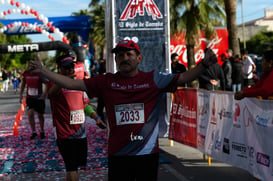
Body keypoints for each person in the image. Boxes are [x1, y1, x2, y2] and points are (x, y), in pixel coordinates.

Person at [29, 40, 218, 181]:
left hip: (146, 154)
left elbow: (183, 77)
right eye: (120, 55)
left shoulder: (154, 79)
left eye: (129, 54)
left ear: (139, 58)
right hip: (119, 155)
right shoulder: (106, 81)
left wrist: (204, 65)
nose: (124, 58)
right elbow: (72, 83)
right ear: (116, 60)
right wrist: (44, 71)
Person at [47, 55, 88, 181]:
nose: (70, 69)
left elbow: (85, 104)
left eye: (71, 66)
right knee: (71, 168)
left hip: (80, 132)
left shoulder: (79, 83)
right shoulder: (54, 83)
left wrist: (96, 117)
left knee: (75, 167)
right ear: (59, 69)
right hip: (64, 133)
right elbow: (50, 94)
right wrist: (64, 80)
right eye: (66, 67)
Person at [19, 64, 48, 139]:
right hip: (30, 97)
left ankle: (42, 131)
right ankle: (34, 132)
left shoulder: (40, 74)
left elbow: (47, 84)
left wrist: (44, 94)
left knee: (40, 115)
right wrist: (21, 95)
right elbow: (23, 84)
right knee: (30, 113)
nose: (31, 69)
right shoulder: (26, 74)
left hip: (39, 98)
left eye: (33, 67)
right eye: (30, 67)